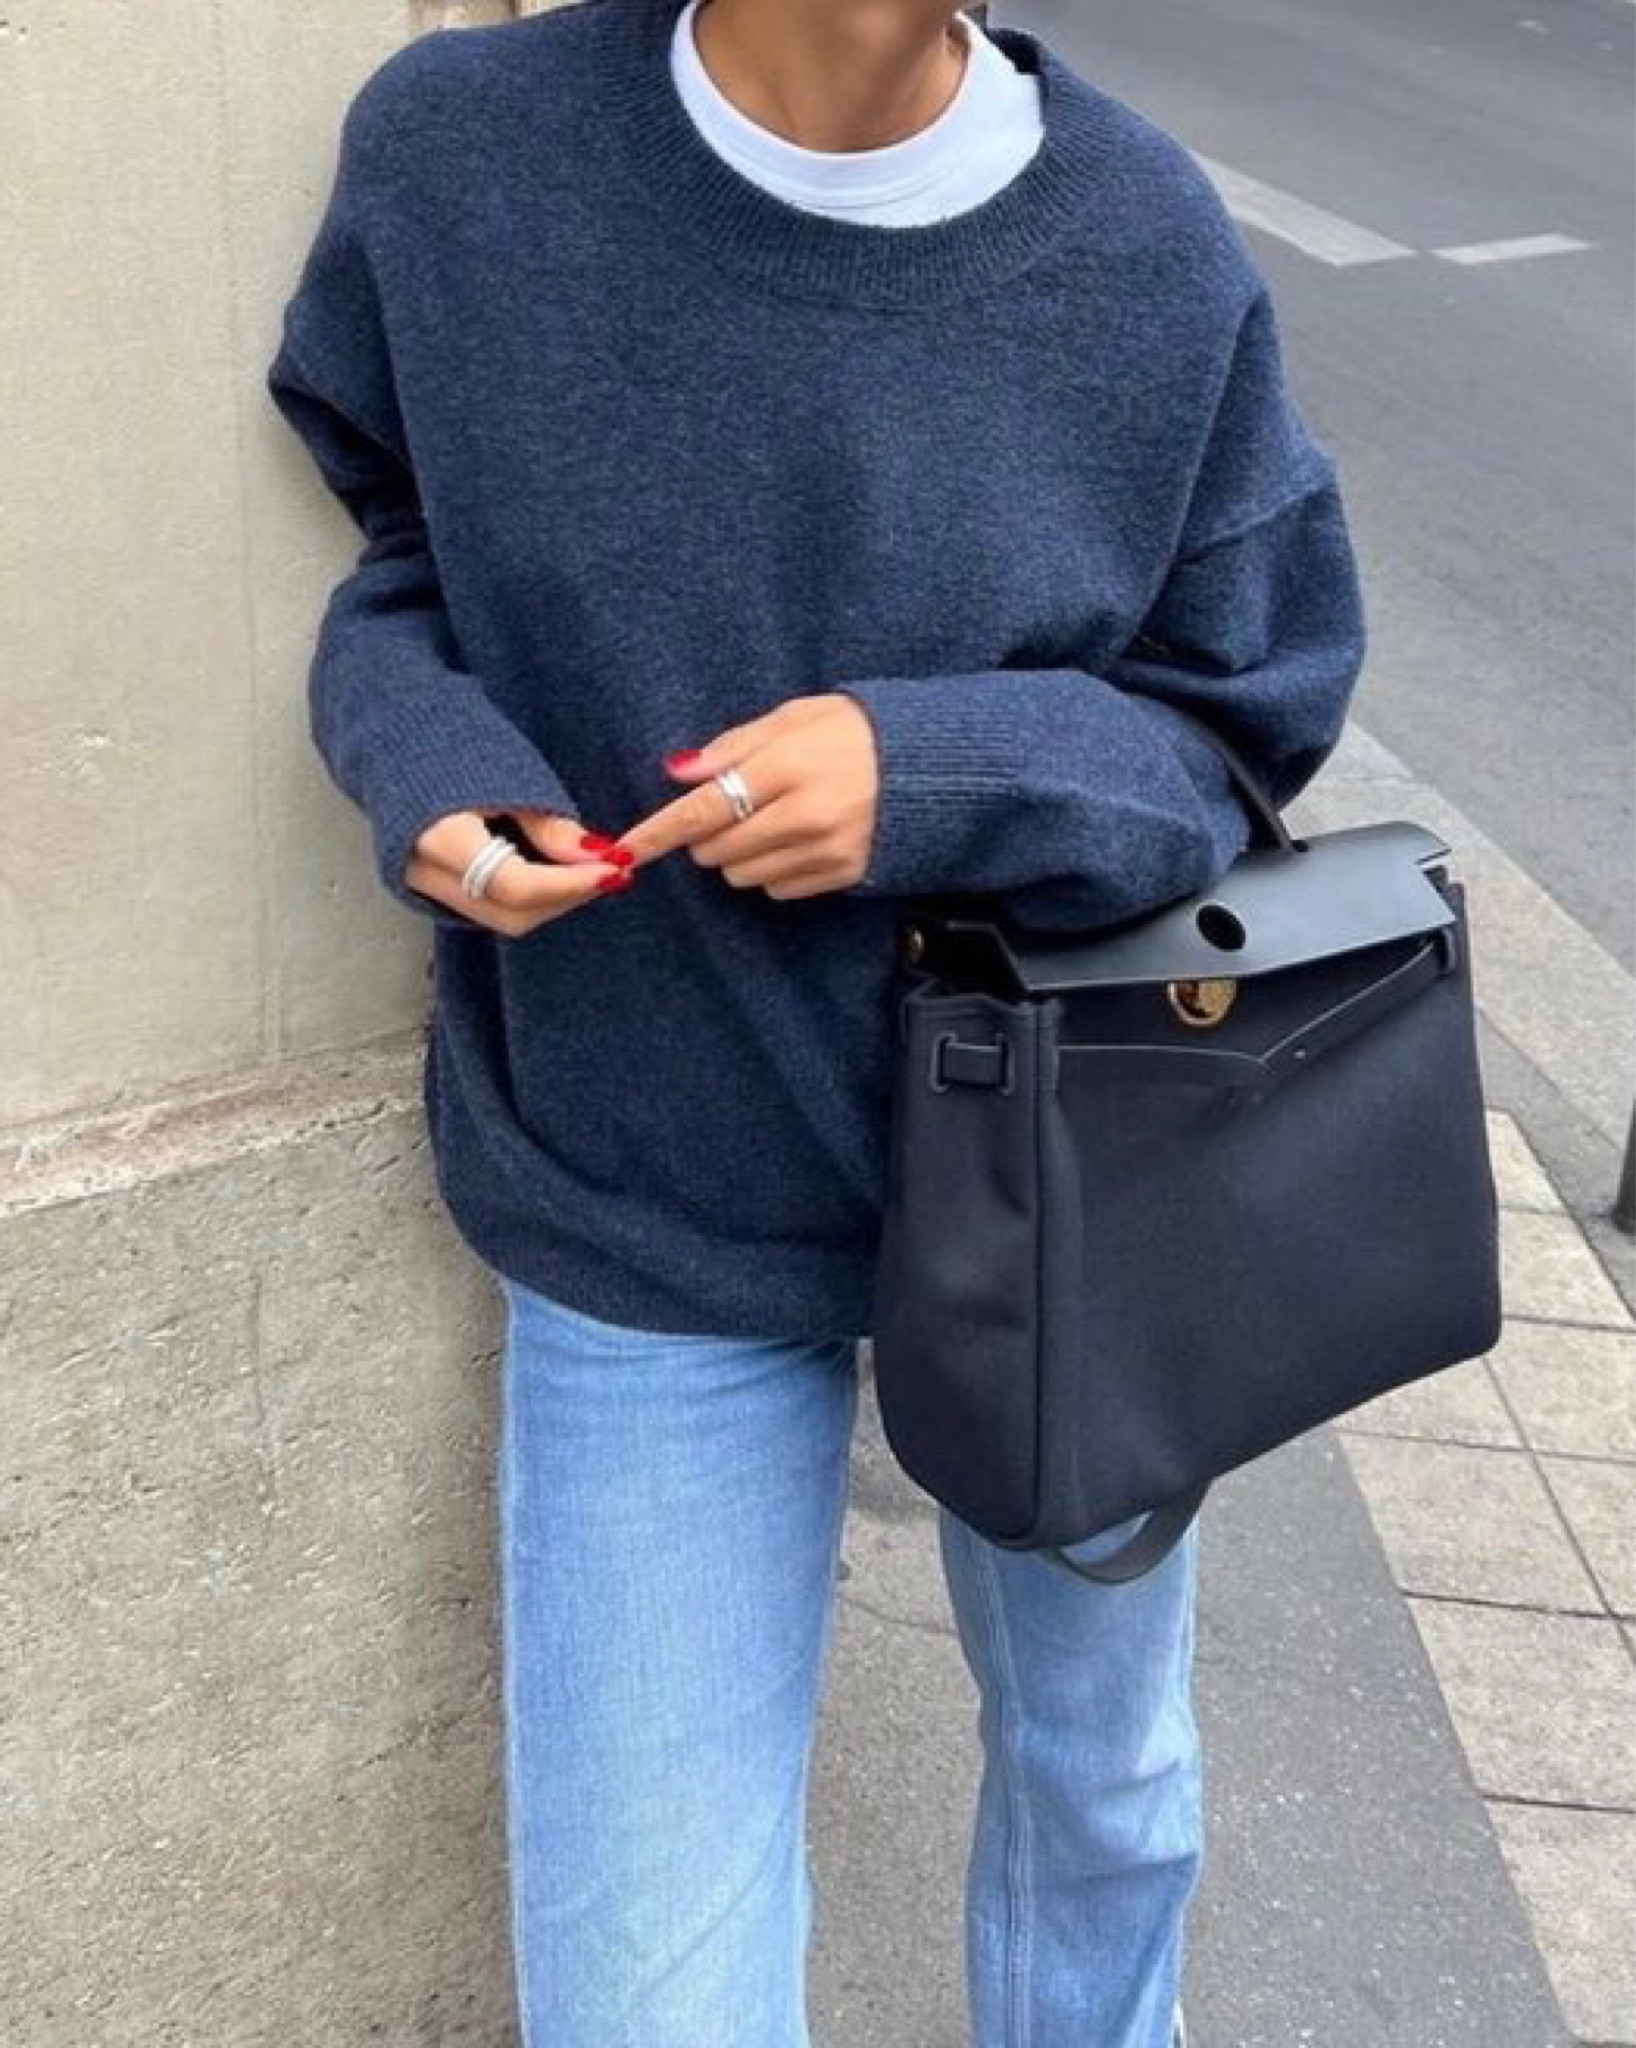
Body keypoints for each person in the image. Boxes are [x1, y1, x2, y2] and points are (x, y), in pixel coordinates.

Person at [265, 0, 1367, 2040]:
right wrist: (425, 751)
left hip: (1080, 1196)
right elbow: (408, 551)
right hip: (644, 1169)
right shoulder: (465, 158)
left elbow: (1234, 730)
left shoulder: (1138, 244)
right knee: (642, 1995)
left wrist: (926, 771)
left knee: (1106, 1796)